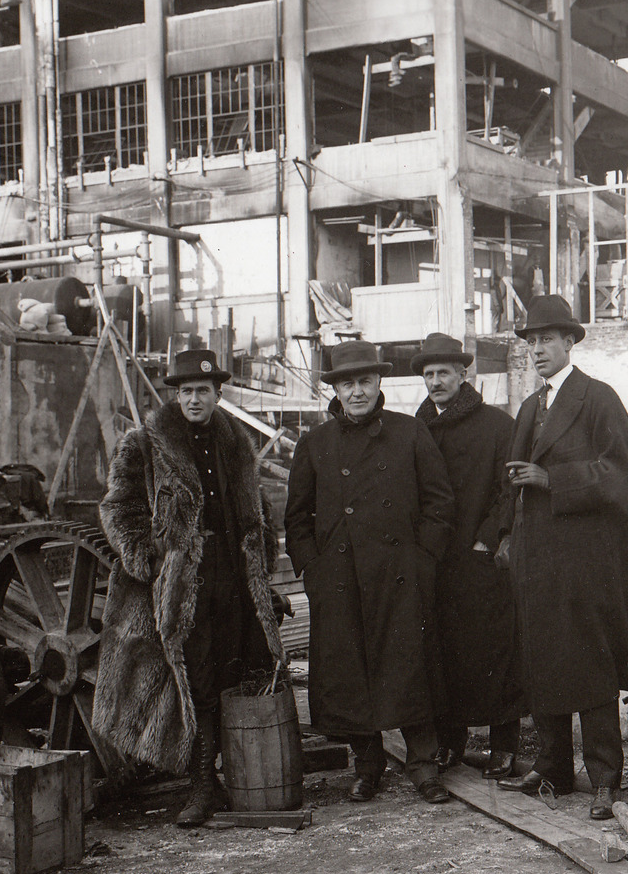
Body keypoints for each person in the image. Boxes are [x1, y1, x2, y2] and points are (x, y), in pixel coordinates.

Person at [92, 347, 285, 827]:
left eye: (202, 391)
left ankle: (235, 774)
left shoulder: (236, 443)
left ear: (219, 393)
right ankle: (200, 784)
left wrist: (262, 569)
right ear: (175, 396)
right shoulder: (144, 444)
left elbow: (257, 512)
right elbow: (118, 508)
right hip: (180, 581)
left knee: (233, 670)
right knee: (192, 677)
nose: (194, 400)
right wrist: (149, 558)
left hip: (232, 578)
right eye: (185, 392)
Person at [499, 295, 628, 821]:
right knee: (544, 658)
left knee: (592, 665)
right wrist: (507, 533)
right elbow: (511, 479)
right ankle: (552, 768)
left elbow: (620, 473)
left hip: (587, 560)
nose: (537, 351)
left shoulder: (597, 398)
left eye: (546, 340)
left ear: (570, 342)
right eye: (530, 343)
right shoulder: (529, 408)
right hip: (538, 558)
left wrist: (554, 479)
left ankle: (605, 780)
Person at [286, 340, 456, 805]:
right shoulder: (315, 444)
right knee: (352, 674)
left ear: (379, 383)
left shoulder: (409, 433)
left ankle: (424, 767)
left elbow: (439, 503)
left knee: (409, 670)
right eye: (347, 384)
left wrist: (423, 558)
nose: (357, 392)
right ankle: (368, 765)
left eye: (364, 382)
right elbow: (296, 518)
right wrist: (313, 569)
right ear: (336, 389)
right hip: (340, 578)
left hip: (400, 575)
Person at [412, 331, 523, 778]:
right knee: (442, 654)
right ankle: (450, 744)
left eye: (444, 372)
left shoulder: (497, 426)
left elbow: (509, 489)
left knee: (495, 650)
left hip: (479, 558)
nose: (436, 381)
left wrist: (487, 538)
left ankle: (503, 746)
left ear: (463, 373)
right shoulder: (414, 428)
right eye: (428, 374)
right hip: (435, 560)